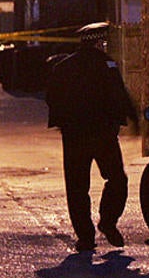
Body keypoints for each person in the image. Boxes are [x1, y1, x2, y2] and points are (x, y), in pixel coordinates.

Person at [45, 22, 139, 253]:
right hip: (103, 134)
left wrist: (64, 123)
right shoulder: (107, 65)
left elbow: (51, 98)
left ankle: (85, 237)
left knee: (77, 188)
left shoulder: (63, 66)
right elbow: (120, 94)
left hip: (74, 136)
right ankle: (108, 221)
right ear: (98, 42)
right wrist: (133, 119)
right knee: (117, 179)